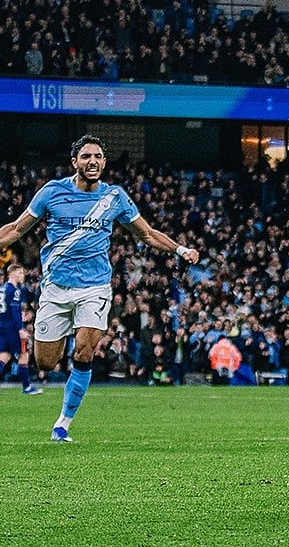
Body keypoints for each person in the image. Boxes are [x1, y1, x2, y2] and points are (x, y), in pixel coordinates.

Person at [0, 135, 199, 441]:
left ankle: (63, 423)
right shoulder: (53, 192)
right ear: (75, 162)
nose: (92, 161)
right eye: (86, 156)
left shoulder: (115, 197)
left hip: (94, 288)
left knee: (84, 351)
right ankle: (66, 338)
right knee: (46, 362)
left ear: (104, 162)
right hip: (55, 287)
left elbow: (146, 234)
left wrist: (180, 250)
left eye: (97, 157)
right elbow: (15, 229)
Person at [0, 264, 41, 394]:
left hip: (2, 327)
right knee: (24, 354)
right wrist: (20, 329)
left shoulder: (2, 288)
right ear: (13, 273)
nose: (23, 276)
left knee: (4, 356)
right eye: (20, 273)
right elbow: (14, 311)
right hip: (12, 328)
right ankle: (27, 387)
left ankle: (27, 387)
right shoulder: (15, 290)